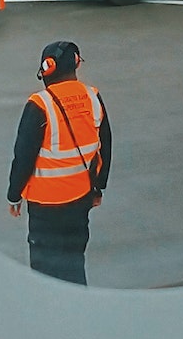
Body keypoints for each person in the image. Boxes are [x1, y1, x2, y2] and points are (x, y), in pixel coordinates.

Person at [7, 39, 112, 284]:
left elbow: (23, 156)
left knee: (46, 272)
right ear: (76, 64)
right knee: (74, 262)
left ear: (48, 68)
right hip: (80, 200)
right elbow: (105, 145)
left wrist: (14, 195)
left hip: (46, 207)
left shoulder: (39, 104)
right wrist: (98, 187)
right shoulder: (93, 96)